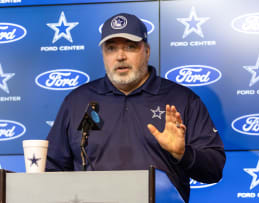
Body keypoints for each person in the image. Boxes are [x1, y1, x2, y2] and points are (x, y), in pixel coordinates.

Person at [46, 13, 226, 202]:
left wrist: (183, 154)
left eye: (130, 47)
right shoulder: (77, 101)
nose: (120, 56)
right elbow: (51, 169)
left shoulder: (182, 100)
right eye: (111, 48)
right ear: (103, 55)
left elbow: (214, 170)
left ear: (147, 51)